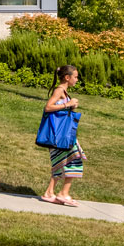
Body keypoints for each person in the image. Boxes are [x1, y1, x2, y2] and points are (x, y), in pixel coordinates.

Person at [41, 64, 87, 207]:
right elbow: (48, 107)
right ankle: (63, 194)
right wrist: (68, 105)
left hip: (64, 135)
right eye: (75, 77)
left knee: (61, 163)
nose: (77, 80)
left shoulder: (64, 92)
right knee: (75, 160)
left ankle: (50, 192)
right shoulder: (59, 90)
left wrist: (70, 105)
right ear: (67, 78)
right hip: (60, 135)